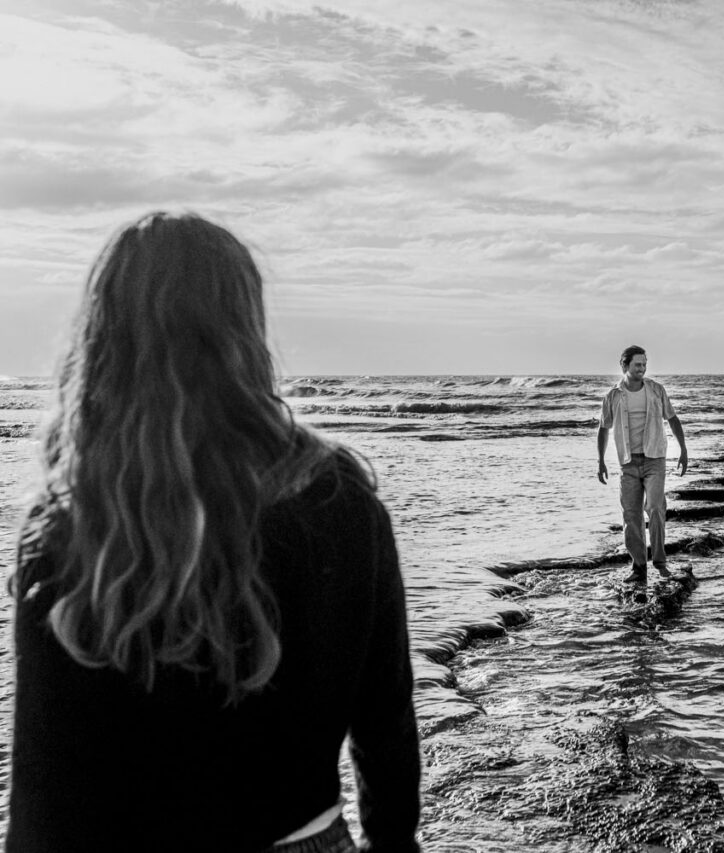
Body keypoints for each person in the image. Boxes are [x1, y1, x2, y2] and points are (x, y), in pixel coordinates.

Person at [6, 212, 421, 853]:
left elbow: (45, 784)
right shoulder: (333, 494)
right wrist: (394, 844)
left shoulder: (72, 522)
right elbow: (384, 713)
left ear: (103, 334)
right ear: (245, 331)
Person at [596, 345, 688, 584]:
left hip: (654, 458)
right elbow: (604, 428)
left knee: (656, 507)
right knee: (631, 515)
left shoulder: (657, 390)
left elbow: (673, 418)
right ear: (624, 366)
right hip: (628, 462)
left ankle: (659, 561)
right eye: (637, 364)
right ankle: (639, 567)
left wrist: (683, 449)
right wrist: (601, 461)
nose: (642, 368)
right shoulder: (613, 396)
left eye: (644, 364)